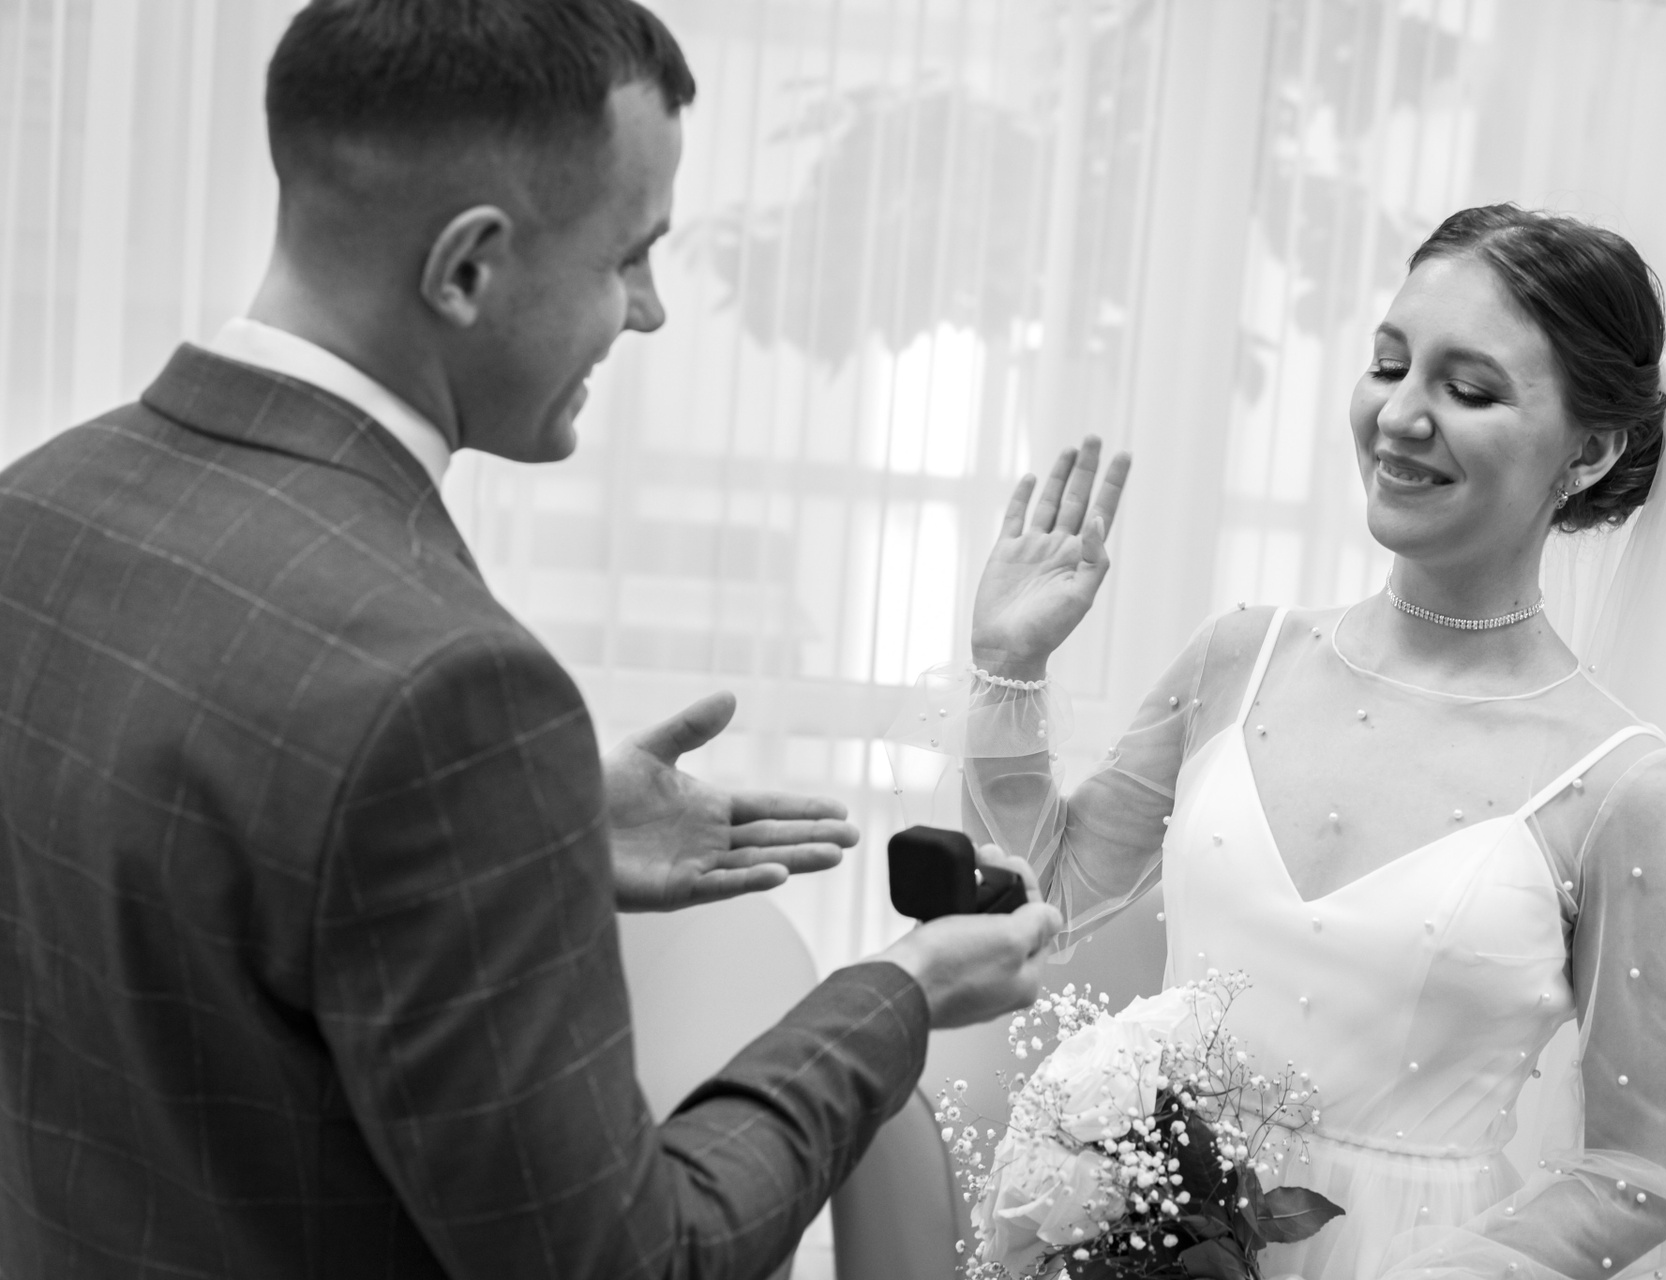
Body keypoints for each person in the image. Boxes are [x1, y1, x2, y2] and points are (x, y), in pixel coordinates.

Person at [0, 2, 1060, 1277]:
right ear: (467, 268)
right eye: (630, 255)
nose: (650, 311)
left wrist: (521, 835)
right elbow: (629, 1260)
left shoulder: (36, 510)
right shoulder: (448, 692)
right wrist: (899, 996)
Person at [949, 205, 1666, 1279]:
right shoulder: (1240, 657)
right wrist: (1009, 667)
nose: (1400, 416)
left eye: (1468, 390)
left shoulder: (1623, 783)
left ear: (1589, 451)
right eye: (1389, 365)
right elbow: (1043, 897)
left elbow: (1641, 1173)